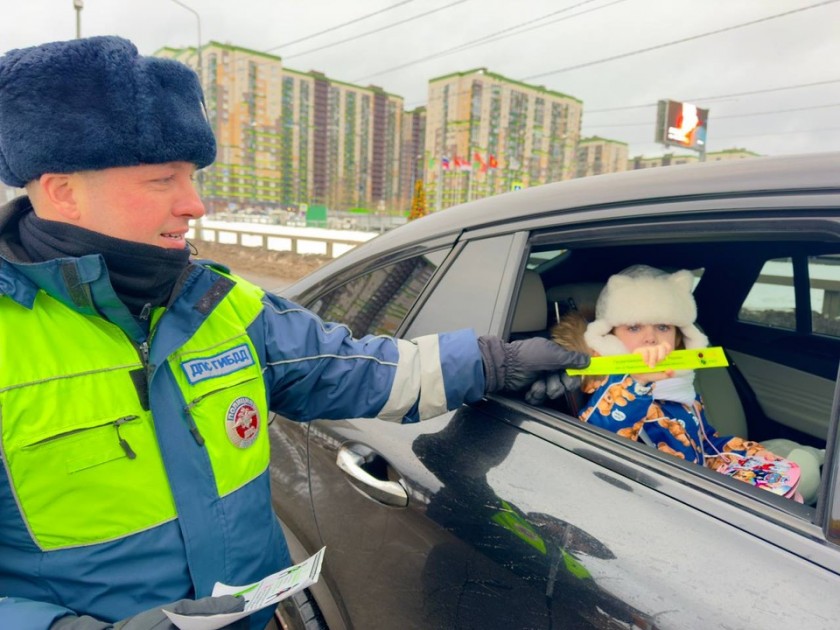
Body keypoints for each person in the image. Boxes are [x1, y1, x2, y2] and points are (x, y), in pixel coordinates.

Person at [0, 36, 589, 630]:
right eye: (163, 180)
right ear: (63, 191)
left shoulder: (223, 307)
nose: (195, 204)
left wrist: (498, 362)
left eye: (194, 176)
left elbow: (358, 368)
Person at [549, 265, 803, 495]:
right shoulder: (604, 382)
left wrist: (751, 457)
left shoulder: (678, 384)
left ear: (677, 335)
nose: (651, 338)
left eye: (663, 327)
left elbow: (706, 443)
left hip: (698, 483)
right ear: (611, 334)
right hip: (656, 497)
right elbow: (598, 438)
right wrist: (638, 381)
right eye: (634, 327)